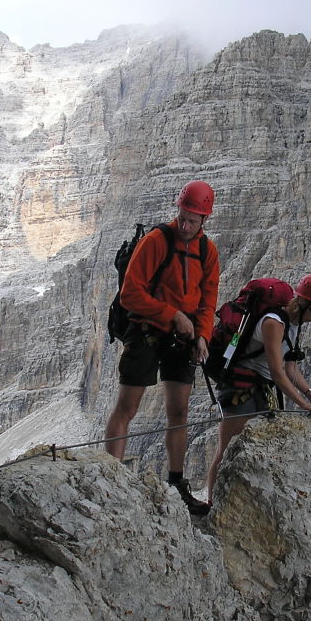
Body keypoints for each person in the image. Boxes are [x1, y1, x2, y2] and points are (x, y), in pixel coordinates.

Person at [103, 180, 220, 516]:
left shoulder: (206, 251)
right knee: (127, 407)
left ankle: (176, 482)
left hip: (182, 337)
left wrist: (202, 335)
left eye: (192, 221)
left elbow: (208, 299)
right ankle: (111, 482)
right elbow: (130, 294)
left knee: (179, 412)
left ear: (204, 221)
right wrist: (173, 316)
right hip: (146, 331)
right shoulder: (157, 241)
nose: (184, 226)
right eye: (182, 218)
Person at [205, 274, 311, 505]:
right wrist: (305, 406)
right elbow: (277, 371)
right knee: (226, 449)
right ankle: (212, 504)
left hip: (259, 388)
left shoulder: (294, 324)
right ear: (301, 304)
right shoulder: (273, 322)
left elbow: (290, 367)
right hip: (239, 387)